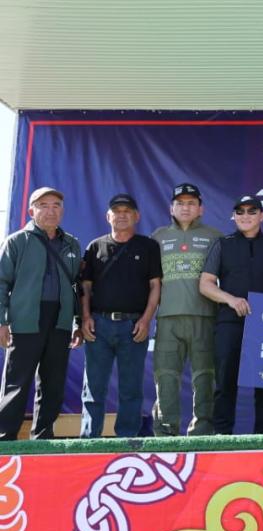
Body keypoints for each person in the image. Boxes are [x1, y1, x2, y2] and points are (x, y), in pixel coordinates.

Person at [199, 196, 263, 434]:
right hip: (230, 322)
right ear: (233, 216)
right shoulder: (223, 244)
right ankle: (221, 438)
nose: (245, 215)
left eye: (252, 211)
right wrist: (231, 299)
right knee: (225, 382)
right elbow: (205, 284)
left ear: (262, 215)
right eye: (239, 211)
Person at [0, 187, 82, 441]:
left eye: (56, 205)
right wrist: (2, 321)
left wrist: (78, 321)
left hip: (60, 320)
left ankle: (43, 436)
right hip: (25, 319)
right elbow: (2, 282)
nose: (50, 211)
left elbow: (78, 286)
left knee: (53, 382)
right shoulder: (16, 241)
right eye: (43, 205)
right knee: (17, 381)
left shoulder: (71, 243)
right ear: (31, 211)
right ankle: (5, 438)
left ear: (62, 211)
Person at [79, 194, 162, 438]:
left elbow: (155, 286)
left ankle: (127, 441)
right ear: (108, 216)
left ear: (137, 216)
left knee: (131, 389)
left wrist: (146, 320)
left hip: (133, 325)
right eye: (117, 211)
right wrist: (85, 318)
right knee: (93, 387)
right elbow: (85, 287)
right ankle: (89, 440)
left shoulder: (148, 246)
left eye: (127, 211)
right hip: (99, 325)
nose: (122, 215)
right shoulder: (95, 247)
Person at [151, 182, 223, 436]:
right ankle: (165, 433)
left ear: (201, 209)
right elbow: (150, 281)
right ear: (171, 208)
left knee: (205, 376)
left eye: (191, 203)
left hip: (205, 317)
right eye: (180, 203)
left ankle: (202, 432)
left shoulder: (214, 237)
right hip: (167, 318)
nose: (185, 207)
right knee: (165, 376)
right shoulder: (158, 237)